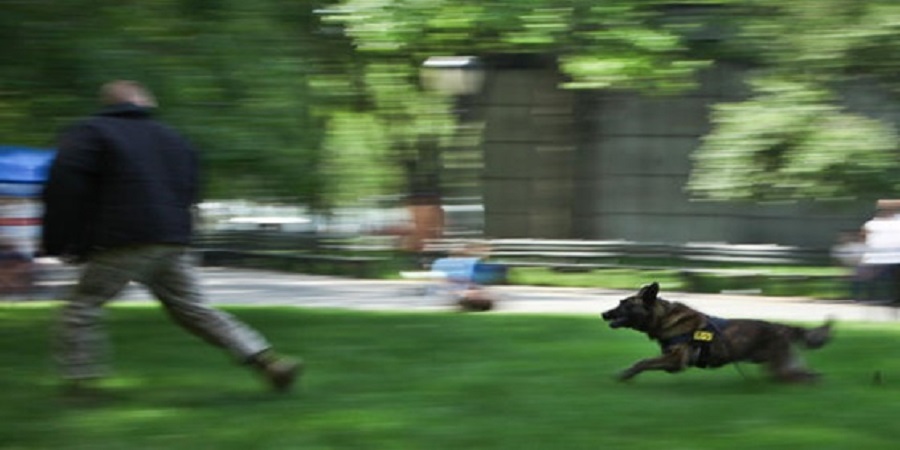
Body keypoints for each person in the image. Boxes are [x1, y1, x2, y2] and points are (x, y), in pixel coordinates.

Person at [42, 80, 300, 393]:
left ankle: (80, 385)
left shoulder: (90, 131)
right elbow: (190, 191)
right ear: (145, 103)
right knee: (195, 310)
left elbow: (64, 184)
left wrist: (59, 240)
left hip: (123, 239)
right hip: (172, 240)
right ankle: (268, 362)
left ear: (108, 103)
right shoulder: (175, 138)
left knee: (81, 307)